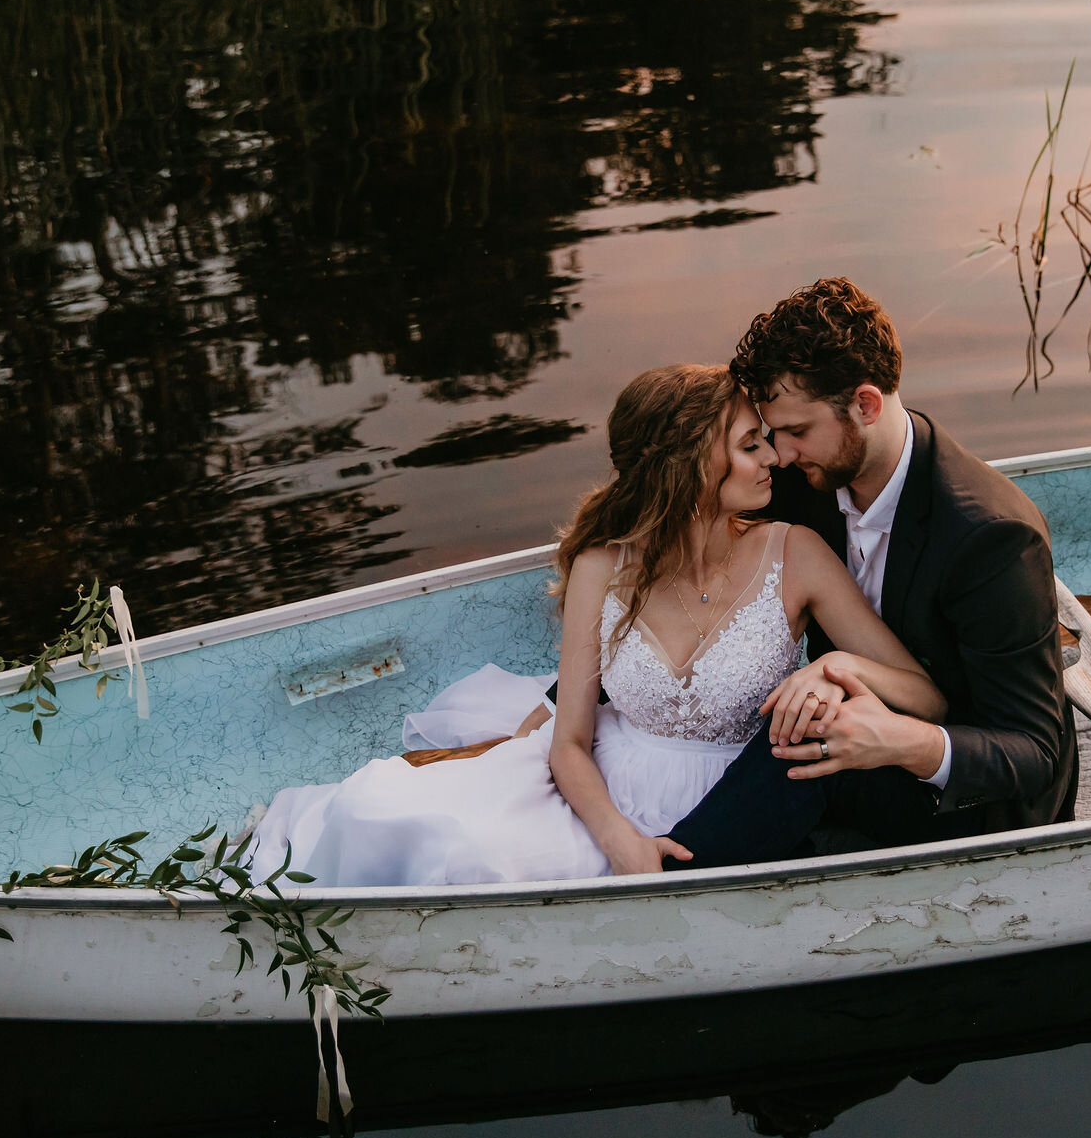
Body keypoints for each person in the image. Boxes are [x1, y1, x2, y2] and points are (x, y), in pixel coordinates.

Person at [245, 363, 945, 886]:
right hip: (603, 788)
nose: (773, 460)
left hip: (740, 796)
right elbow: (570, 740)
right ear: (688, 461)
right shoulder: (601, 565)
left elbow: (924, 692)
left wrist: (836, 667)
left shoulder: (795, 553)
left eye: (767, 441)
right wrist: (618, 838)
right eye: (748, 445)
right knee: (414, 828)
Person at [663, 277, 1079, 869]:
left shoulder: (991, 538)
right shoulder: (805, 477)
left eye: (797, 432)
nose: (778, 454)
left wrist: (902, 742)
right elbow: (689, 577)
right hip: (851, 716)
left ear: (865, 405)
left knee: (804, 739)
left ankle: (669, 878)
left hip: (973, 795)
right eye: (771, 433)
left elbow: (1034, 752)